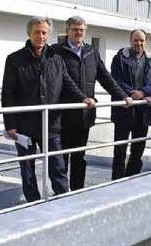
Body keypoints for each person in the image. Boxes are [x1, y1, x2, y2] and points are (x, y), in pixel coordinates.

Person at [2, 16, 96, 202]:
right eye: (37, 32)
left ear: (49, 35)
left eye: (44, 32)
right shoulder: (15, 60)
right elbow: (8, 94)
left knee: (57, 165)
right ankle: (33, 202)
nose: (41, 36)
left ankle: (62, 199)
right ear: (29, 33)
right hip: (24, 124)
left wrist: (83, 98)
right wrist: (10, 124)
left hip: (51, 123)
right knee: (27, 167)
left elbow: (68, 84)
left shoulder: (56, 58)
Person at [52, 16, 132, 190]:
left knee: (79, 157)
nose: (78, 32)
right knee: (61, 158)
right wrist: (80, 98)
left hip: (84, 116)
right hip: (63, 116)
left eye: (81, 29)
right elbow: (62, 82)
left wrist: (123, 96)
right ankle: (61, 195)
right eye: (74, 29)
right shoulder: (56, 51)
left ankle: (77, 192)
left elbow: (105, 78)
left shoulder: (91, 53)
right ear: (67, 31)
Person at [110, 29, 151, 180]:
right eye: (135, 40)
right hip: (124, 111)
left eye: (141, 40)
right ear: (130, 40)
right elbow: (116, 82)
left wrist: (143, 92)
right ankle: (117, 182)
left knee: (137, 151)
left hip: (143, 114)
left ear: (145, 42)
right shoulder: (119, 58)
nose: (138, 43)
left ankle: (131, 180)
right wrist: (134, 94)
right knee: (119, 151)